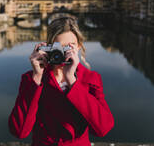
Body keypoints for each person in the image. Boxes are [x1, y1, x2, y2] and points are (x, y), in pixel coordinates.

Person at [8, 17, 114, 146]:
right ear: (49, 48)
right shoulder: (32, 79)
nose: (64, 53)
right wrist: (36, 77)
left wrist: (72, 81)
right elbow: (19, 131)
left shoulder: (91, 79)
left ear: (79, 47)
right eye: (59, 47)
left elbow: (103, 129)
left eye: (70, 47)